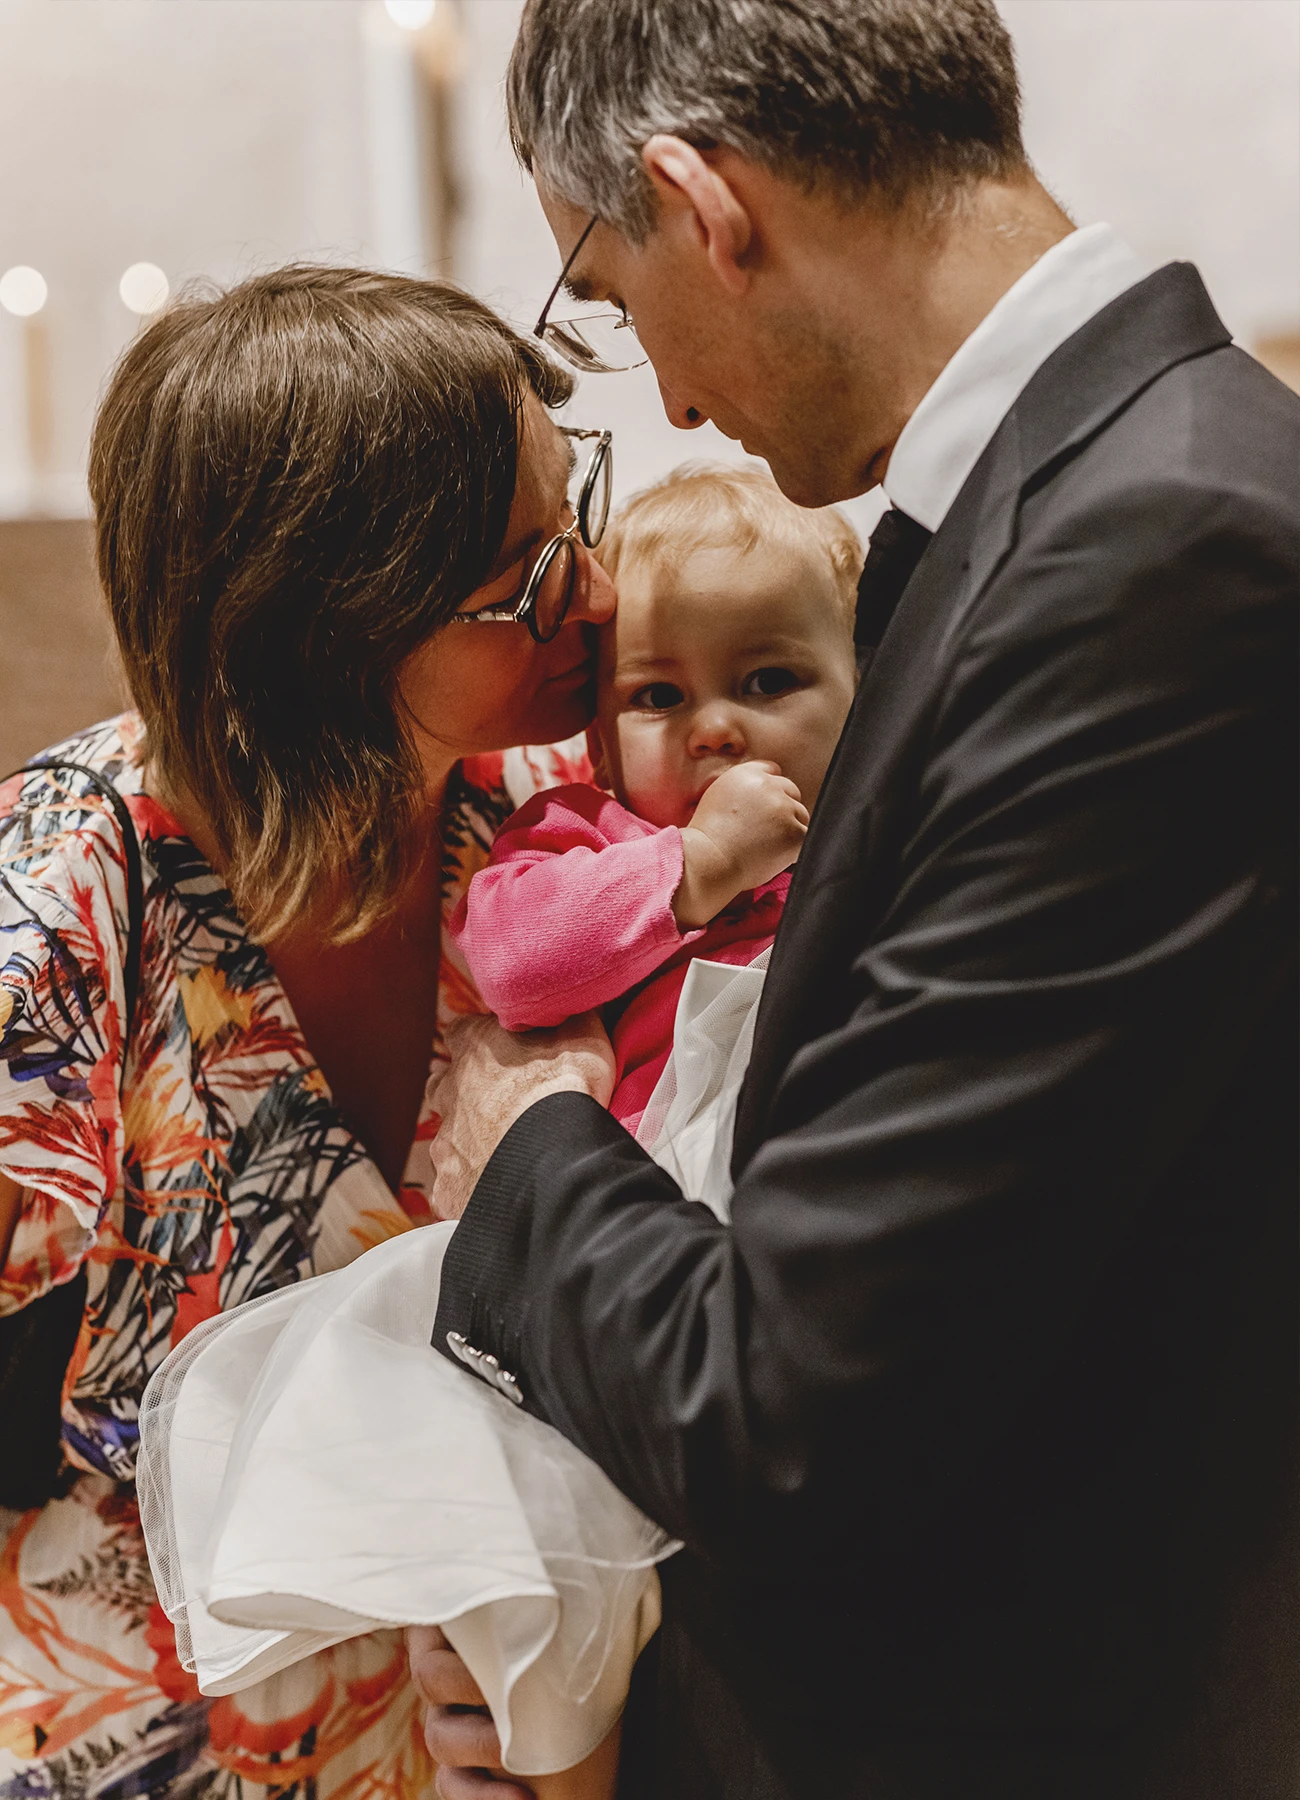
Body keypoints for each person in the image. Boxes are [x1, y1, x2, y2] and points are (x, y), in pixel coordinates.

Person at [409, 3, 1300, 1797]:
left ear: (703, 205)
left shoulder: (1159, 552)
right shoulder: (1092, 489)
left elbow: (792, 1405)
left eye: (605, 288)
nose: (668, 397)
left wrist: (522, 1142)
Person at [0, 263, 618, 1800]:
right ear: (329, 629)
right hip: (117, 1745)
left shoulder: (552, 840)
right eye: (526, 578)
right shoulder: (69, 884)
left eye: (578, 527)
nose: (595, 598)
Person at [451, 465, 860, 1133]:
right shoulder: (584, 836)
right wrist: (700, 864)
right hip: (648, 1187)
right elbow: (509, 968)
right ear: (601, 749)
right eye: (660, 697)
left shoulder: (883, 836)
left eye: (769, 679)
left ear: (863, 695)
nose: (716, 729)